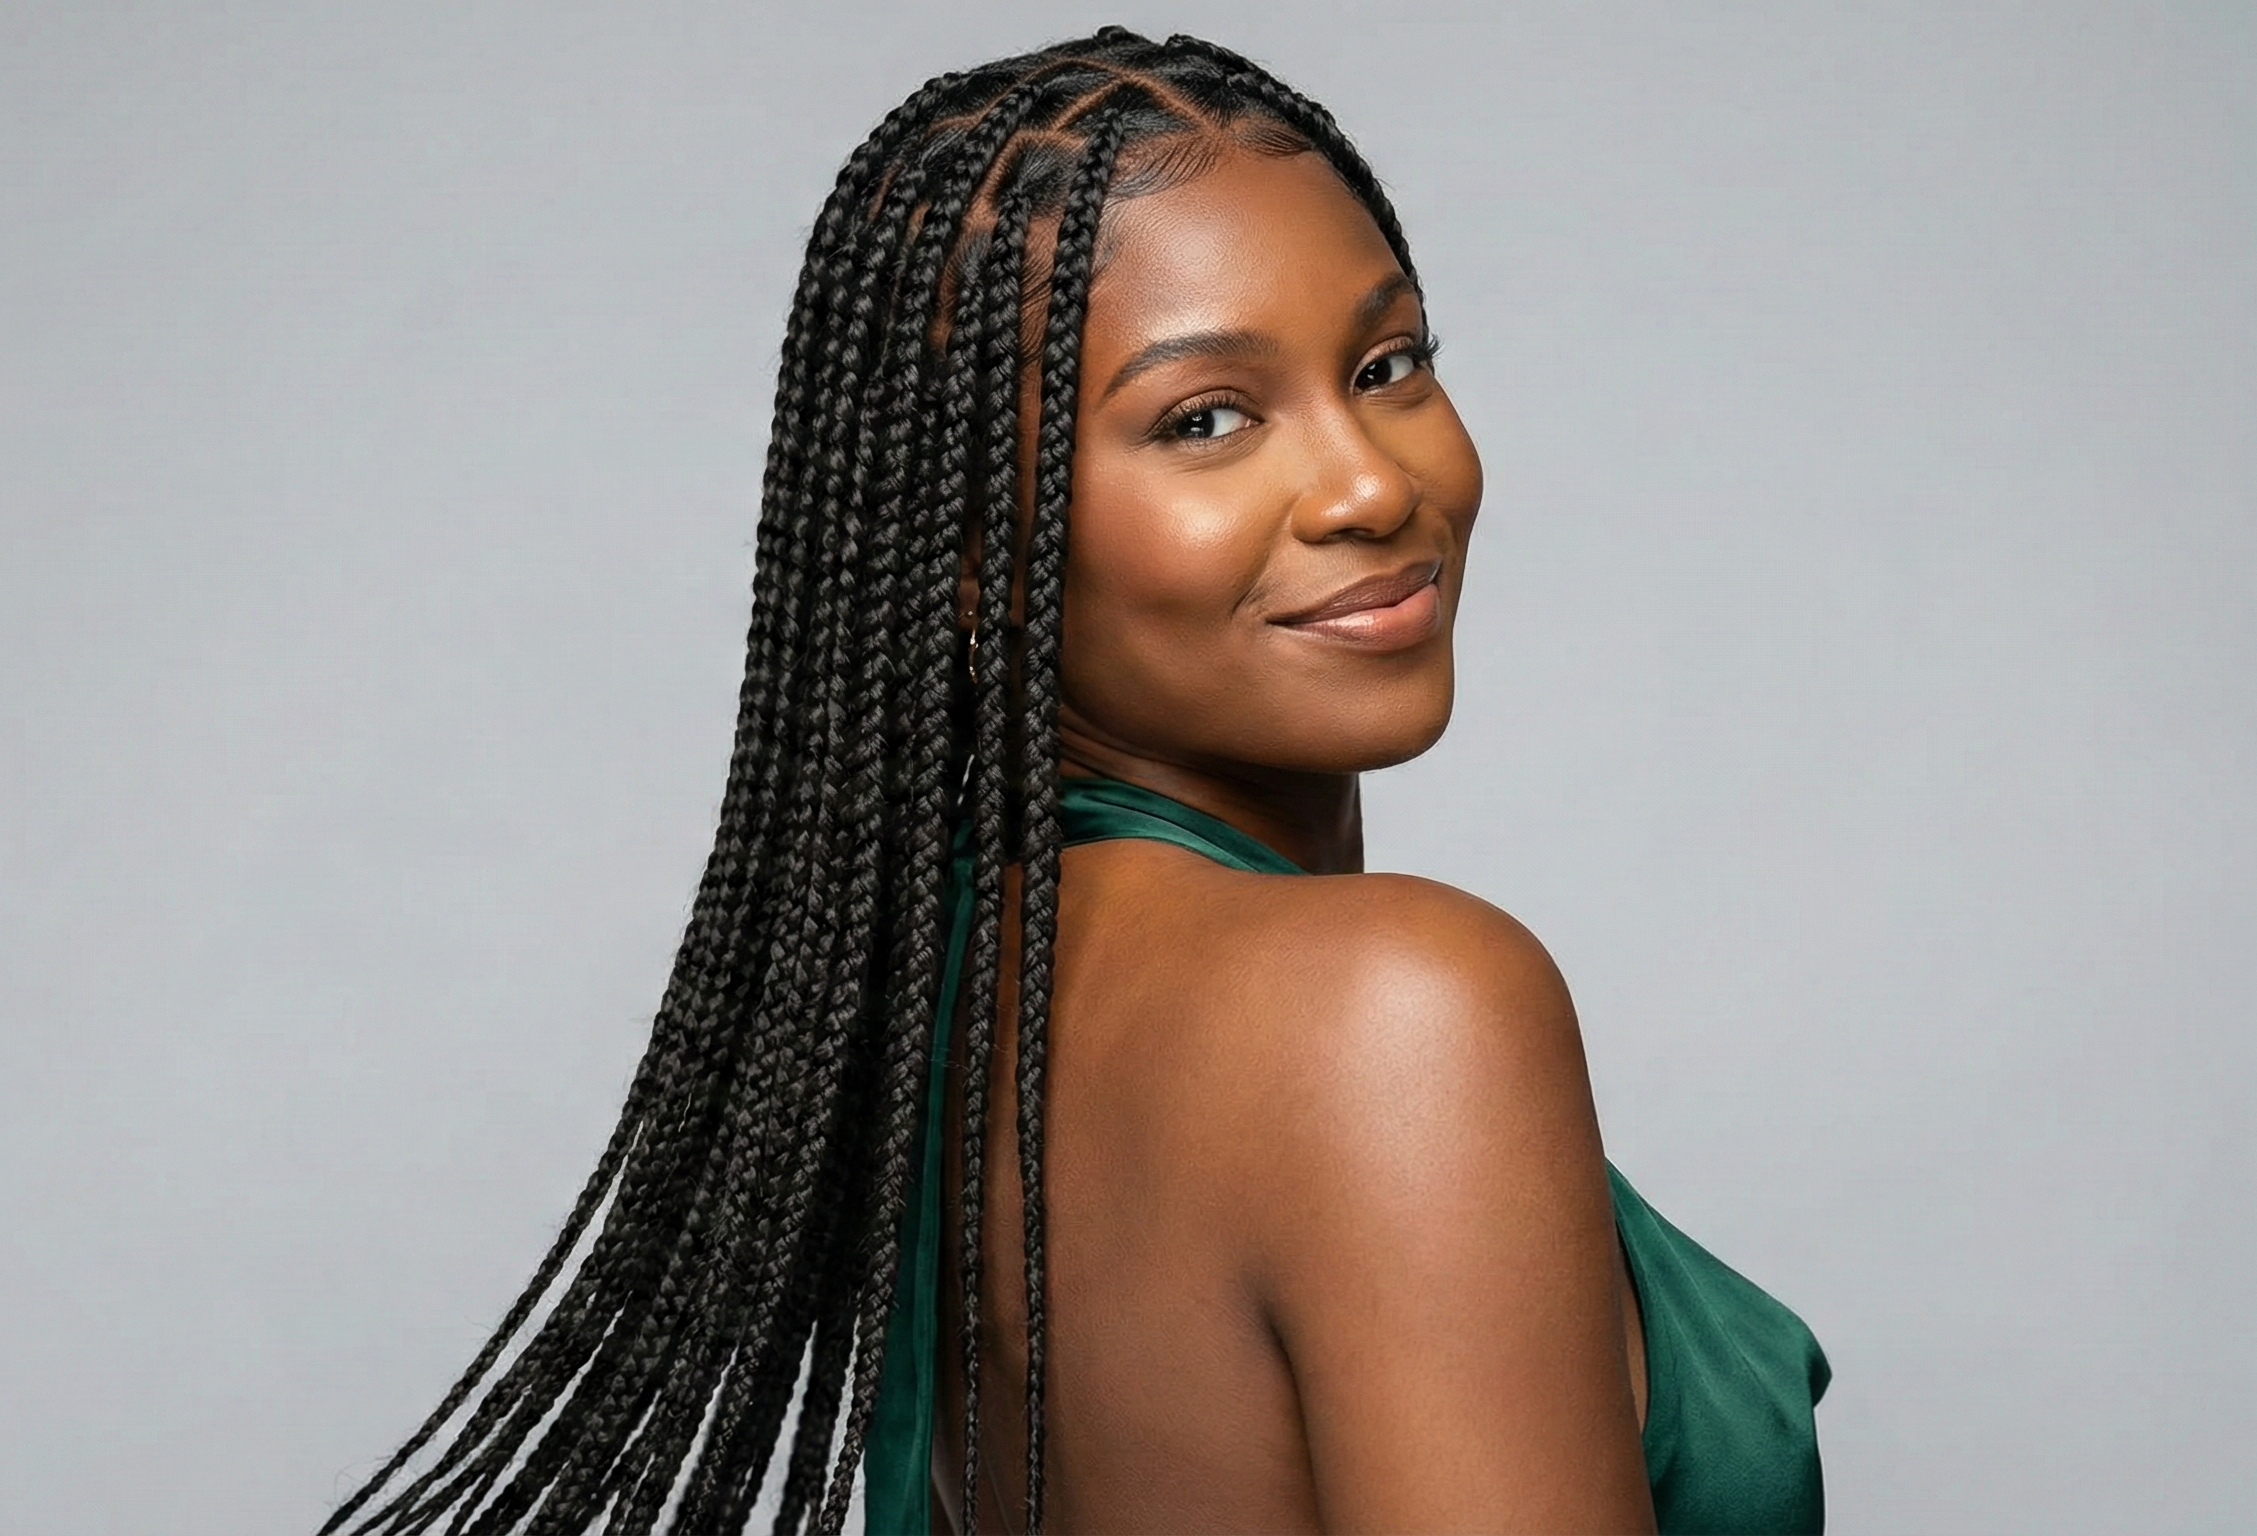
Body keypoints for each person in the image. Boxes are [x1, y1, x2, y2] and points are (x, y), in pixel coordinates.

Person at [324, 28, 1829, 1536]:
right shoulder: (1397, 1013)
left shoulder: (957, 1014)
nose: (1374, 483)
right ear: (975, 552)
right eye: (1205, 418)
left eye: (1388, 364)